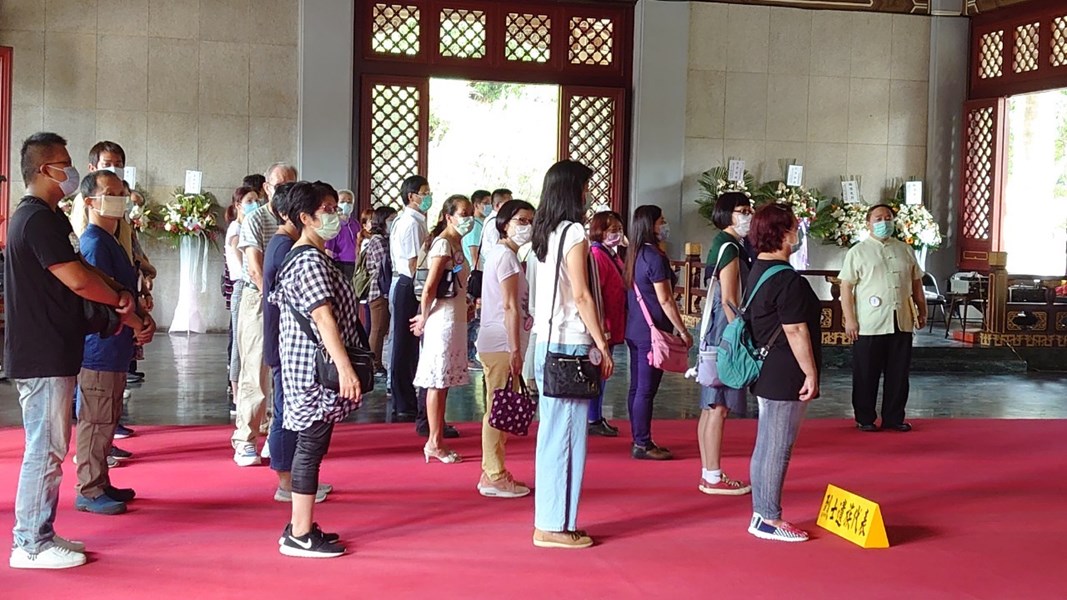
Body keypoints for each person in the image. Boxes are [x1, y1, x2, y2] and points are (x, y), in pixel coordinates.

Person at [6, 132, 139, 569]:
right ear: (45, 169)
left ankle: (40, 530)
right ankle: (29, 542)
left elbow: (80, 268)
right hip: (41, 350)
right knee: (44, 449)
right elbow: (78, 279)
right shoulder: (36, 219)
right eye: (64, 162)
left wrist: (119, 292)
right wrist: (119, 303)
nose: (71, 170)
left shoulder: (46, 217)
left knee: (51, 446)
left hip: (53, 347)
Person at [270, 181, 363, 558]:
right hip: (313, 370)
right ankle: (300, 534)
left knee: (313, 445)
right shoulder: (308, 259)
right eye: (326, 209)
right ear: (305, 218)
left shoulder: (312, 255)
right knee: (309, 447)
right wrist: (345, 368)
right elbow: (323, 317)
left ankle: (299, 525)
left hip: (310, 366)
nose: (334, 214)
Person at [530, 160, 614, 549]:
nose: (588, 194)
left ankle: (552, 519)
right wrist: (601, 342)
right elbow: (581, 295)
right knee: (566, 436)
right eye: (585, 187)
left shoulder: (544, 233)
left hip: (546, 341)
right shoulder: (575, 232)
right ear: (572, 191)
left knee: (552, 433)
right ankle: (554, 524)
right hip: (570, 341)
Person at [73, 171, 157, 516]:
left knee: (108, 415)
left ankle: (101, 480)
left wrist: (141, 315)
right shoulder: (94, 241)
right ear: (90, 201)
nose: (119, 200)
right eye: (110, 193)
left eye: (121, 193)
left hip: (116, 342)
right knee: (95, 418)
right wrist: (136, 323)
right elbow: (104, 299)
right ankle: (89, 488)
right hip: (101, 344)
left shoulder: (113, 240)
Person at [745, 203, 822, 542]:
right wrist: (811, 373)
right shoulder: (786, 279)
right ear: (784, 233)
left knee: (767, 443)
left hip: (767, 368)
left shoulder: (758, 268)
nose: (798, 232)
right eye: (794, 226)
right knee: (778, 446)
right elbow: (795, 330)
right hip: (785, 368)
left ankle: (762, 510)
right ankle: (767, 517)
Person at [840, 204, 927, 432]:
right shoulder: (857, 252)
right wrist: (850, 319)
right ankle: (865, 417)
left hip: (901, 320)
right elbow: (846, 288)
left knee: (898, 373)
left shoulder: (905, 250)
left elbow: (917, 283)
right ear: (868, 223)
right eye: (878, 218)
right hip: (869, 323)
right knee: (866, 373)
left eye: (888, 218)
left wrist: (922, 309)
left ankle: (894, 417)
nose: (884, 222)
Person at [233, 162, 297, 466]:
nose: (284, 190)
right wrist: (276, 299)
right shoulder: (255, 218)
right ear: (267, 188)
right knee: (256, 368)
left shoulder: (297, 220)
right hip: (259, 299)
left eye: (291, 185)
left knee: (284, 369)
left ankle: (276, 434)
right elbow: (257, 270)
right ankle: (245, 439)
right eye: (279, 185)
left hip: (289, 300)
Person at [475, 199, 536, 497]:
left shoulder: (502, 255)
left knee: (498, 407)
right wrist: (515, 349)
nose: (527, 227)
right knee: (497, 410)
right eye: (521, 220)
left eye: (530, 221)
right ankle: (493, 474)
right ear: (504, 223)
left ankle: (495, 470)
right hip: (501, 343)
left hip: (499, 340)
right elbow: (510, 306)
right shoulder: (506, 257)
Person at [623, 205, 692, 461]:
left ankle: (638, 437)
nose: (665, 226)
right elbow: (665, 300)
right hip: (652, 332)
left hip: (635, 328)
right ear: (651, 225)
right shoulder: (654, 257)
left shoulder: (635, 254)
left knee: (636, 388)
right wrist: (683, 330)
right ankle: (642, 443)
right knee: (646, 390)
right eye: (661, 221)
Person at [696, 192, 753, 495]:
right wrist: (738, 340)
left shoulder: (723, 243)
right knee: (718, 405)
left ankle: (709, 472)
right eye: (741, 211)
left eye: (749, 210)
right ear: (726, 214)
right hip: (724, 334)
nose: (748, 216)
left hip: (714, 331)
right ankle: (714, 476)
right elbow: (731, 299)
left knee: (710, 405)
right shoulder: (730, 247)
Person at [411, 194, 474, 464]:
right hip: (442, 318)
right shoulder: (442, 244)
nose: (468, 218)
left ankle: (438, 435)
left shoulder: (457, 243)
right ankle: (434, 441)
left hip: (456, 315)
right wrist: (423, 317)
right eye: (463, 213)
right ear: (448, 216)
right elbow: (429, 288)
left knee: (445, 380)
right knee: (437, 381)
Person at [586, 211, 625, 437]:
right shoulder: (598, 255)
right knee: (599, 371)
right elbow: (596, 293)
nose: (617, 234)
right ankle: (593, 417)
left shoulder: (612, 254)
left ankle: (597, 415)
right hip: (604, 323)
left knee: (603, 373)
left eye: (619, 230)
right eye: (611, 230)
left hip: (614, 319)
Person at [225, 186, 260, 415]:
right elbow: (244, 265)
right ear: (238, 204)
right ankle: (236, 392)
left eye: (257, 199)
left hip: (249, 285)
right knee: (239, 342)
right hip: (243, 285)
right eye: (250, 200)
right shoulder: (237, 228)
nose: (255, 203)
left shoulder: (249, 225)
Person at [363, 206, 396, 375]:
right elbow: (383, 267)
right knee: (377, 329)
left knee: (381, 328)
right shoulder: (378, 241)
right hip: (379, 291)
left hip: (381, 290)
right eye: (391, 219)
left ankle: (375, 362)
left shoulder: (383, 239)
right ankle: (373, 363)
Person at [465, 189, 492, 370]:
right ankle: (468, 355)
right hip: (476, 275)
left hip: (479, 273)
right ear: (476, 205)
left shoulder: (482, 223)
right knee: (473, 317)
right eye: (485, 202)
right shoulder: (475, 226)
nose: (488, 206)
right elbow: (475, 254)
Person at [324, 190, 361, 280]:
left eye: (349, 202)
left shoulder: (355, 223)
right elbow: (328, 250)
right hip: (340, 264)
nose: (346, 204)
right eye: (343, 201)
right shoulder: (334, 224)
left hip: (355, 263)